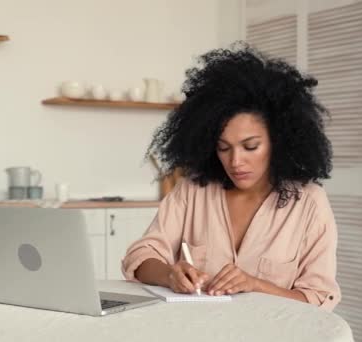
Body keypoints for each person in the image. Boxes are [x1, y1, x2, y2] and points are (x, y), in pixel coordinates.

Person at [122, 43, 341, 311]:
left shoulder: (309, 203)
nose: (235, 161)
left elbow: (318, 299)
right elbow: (141, 256)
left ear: (279, 141)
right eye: (223, 148)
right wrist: (170, 274)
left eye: (250, 147)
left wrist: (255, 284)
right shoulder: (193, 191)